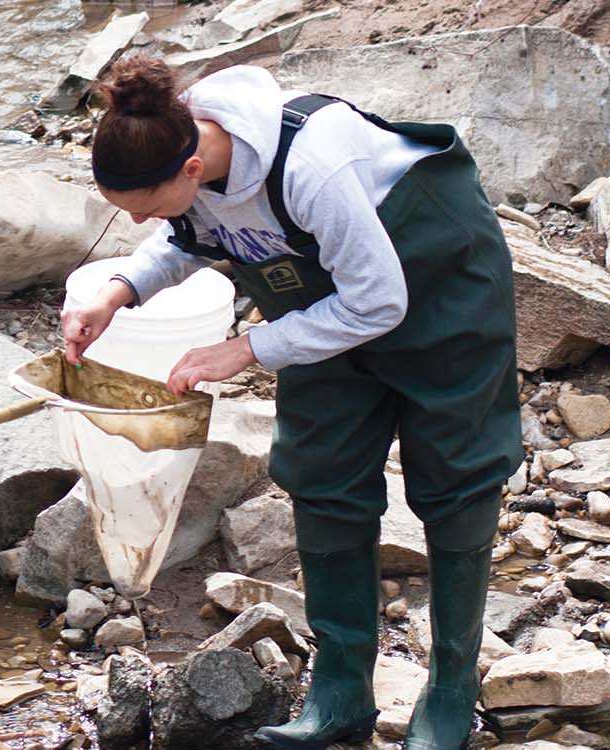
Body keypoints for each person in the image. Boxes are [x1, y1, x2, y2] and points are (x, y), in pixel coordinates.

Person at [61, 57, 523, 750]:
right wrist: (119, 290)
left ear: (190, 170)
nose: (139, 220)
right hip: (326, 304)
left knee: (456, 476)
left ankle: (452, 688)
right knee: (322, 470)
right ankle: (340, 691)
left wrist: (244, 349)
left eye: (143, 205)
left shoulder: (313, 165)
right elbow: (183, 234)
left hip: (437, 285)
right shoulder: (187, 149)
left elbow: (379, 301)